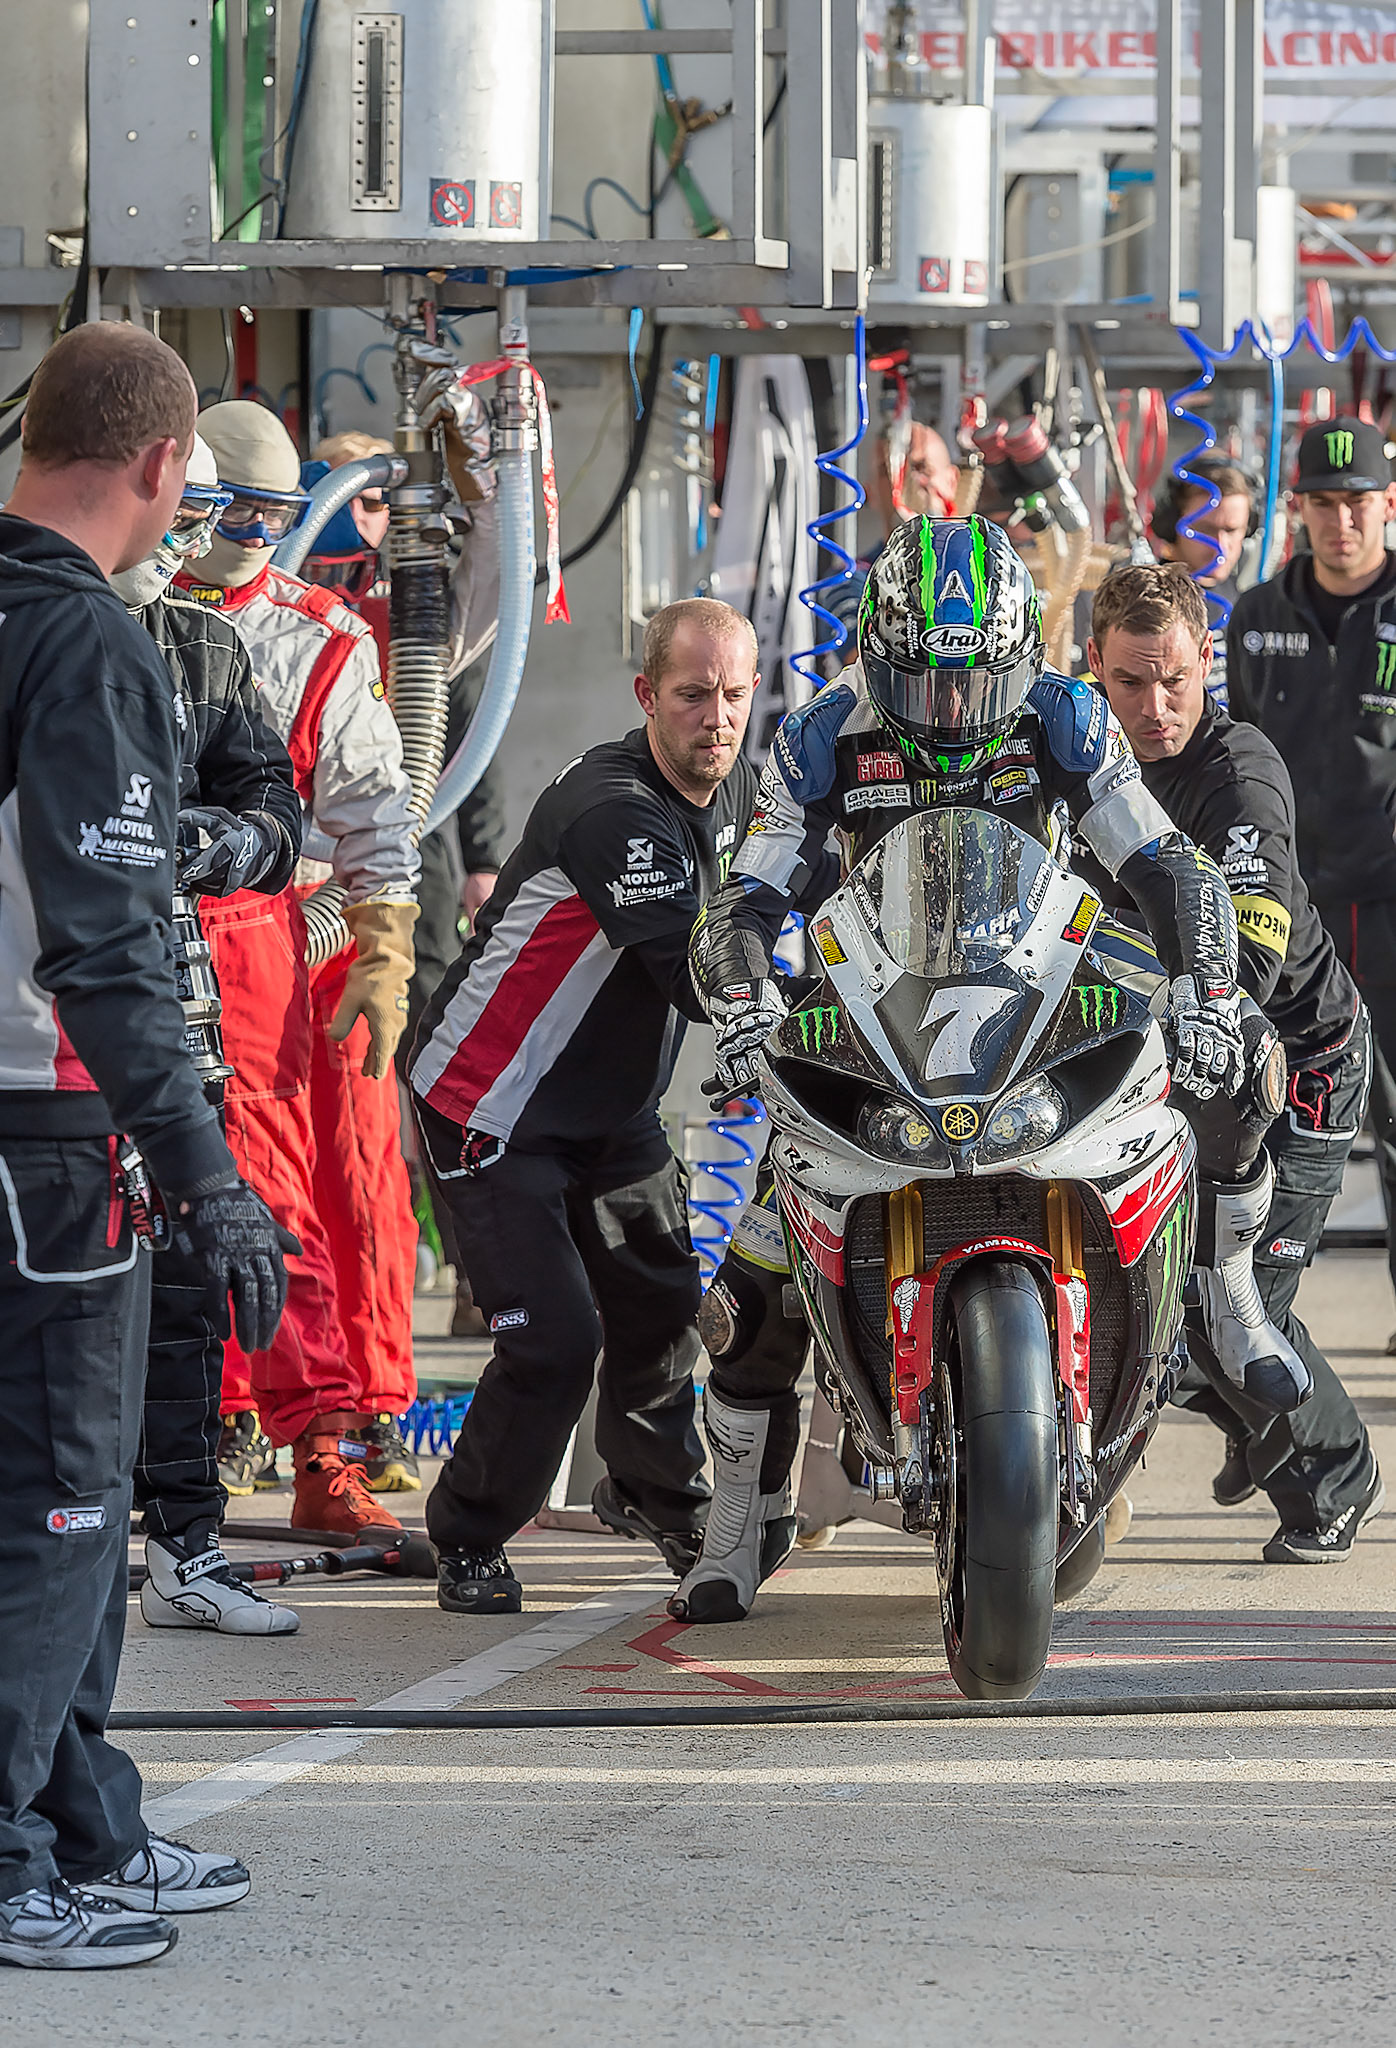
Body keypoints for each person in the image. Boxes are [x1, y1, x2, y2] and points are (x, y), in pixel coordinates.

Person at [673, 514, 1303, 1624]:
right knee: (747, 1288)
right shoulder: (819, 732)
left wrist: (1205, 989)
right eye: (927, 683)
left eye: (977, 682)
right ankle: (734, 1518)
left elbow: (1164, 860)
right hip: (870, 996)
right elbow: (748, 895)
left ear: (1019, 655)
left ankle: (1226, 1285)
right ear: (874, 650)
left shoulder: (1065, 712)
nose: (953, 711)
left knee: (1240, 1061)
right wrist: (739, 995)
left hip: (1046, 985)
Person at [0, 322, 293, 1966]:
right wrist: (208, 1175)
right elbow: (104, 942)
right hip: (51, 1130)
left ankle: (75, 1812)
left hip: (32, 1129)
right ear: (166, 467)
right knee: (57, 1508)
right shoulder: (89, 640)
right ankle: (10, 1854)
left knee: (64, 1507)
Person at [409, 597, 760, 1613]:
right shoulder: (619, 812)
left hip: (608, 1111)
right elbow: (702, 975)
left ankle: (651, 1494)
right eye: (693, 695)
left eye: (735, 695)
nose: (718, 718)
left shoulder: (730, 791)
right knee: (555, 1341)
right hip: (492, 1104)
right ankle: (467, 1532)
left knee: (660, 1309)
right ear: (646, 695)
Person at [1089, 563, 1381, 1560]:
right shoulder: (1080, 760)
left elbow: (1244, 959)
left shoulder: (1237, 770)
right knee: (1147, 1297)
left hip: (1293, 1066)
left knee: (1233, 1296)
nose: (1153, 705)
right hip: (1164, 1066)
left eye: (1172, 678)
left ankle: (1335, 1471)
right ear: (1094, 668)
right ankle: (1246, 1418)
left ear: (1205, 660)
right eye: (1129, 682)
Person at [177, 399, 422, 1535]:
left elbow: (375, 810)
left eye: (282, 511)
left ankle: (330, 1431)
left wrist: (380, 940)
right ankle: (191, 1425)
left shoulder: (314, 633)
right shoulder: (103, 611)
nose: (259, 531)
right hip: (107, 926)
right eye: (243, 508)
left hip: (274, 931)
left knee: (310, 1187)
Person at [111, 434, 306, 1633]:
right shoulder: (37, 622)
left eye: (203, 528)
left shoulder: (205, 646)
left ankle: (185, 1543)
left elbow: (276, 805)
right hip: (41, 1027)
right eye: (177, 520)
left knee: (186, 1285)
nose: (186, 547)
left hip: (175, 1010)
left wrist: (221, 844)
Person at [1226, 419, 1396, 1337]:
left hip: (1389, 903)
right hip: (1284, 911)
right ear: (1298, 509)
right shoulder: (1258, 617)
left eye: (1357, 504)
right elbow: (1234, 760)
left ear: (1388, 506)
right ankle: (1249, 1320)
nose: (1342, 523)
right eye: (1324, 505)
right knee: (1261, 1109)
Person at [1153, 456, 1259, 709]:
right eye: (1206, 530)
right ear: (1171, 525)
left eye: (1232, 530)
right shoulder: (1150, 597)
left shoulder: (1241, 598)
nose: (1220, 547)